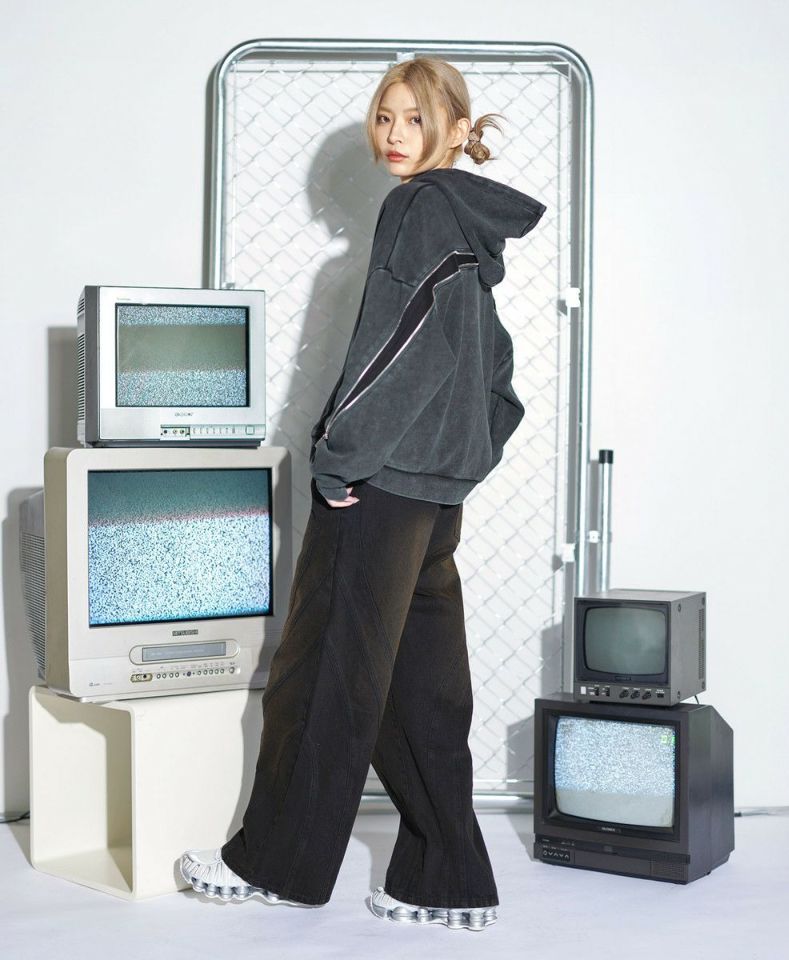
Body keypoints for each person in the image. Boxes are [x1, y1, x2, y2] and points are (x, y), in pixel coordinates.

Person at [179, 56, 546, 932]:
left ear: (459, 130)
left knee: (321, 675)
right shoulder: (470, 226)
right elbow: (493, 371)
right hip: (432, 495)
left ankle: (274, 865)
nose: (394, 135)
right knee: (422, 689)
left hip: (377, 486)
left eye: (415, 118)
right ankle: (445, 880)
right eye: (385, 116)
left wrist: (342, 458)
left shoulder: (419, 208)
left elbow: (398, 348)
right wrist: (463, 456)